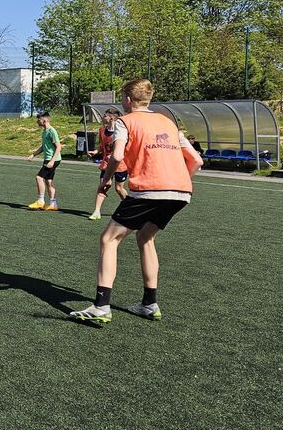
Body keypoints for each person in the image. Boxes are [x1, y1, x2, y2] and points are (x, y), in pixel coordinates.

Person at [70, 79, 204, 323]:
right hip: (181, 192)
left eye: (123, 98)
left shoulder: (125, 121)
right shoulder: (168, 122)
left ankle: (101, 306)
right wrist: (176, 181)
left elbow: (117, 154)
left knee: (109, 239)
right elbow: (196, 161)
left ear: (128, 100)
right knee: (145, 237)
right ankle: (149, 304)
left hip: (149, 190)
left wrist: (106, 180)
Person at [87, 108, 129, 220]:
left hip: (120, 165)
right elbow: (102, 146)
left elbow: (126, 148)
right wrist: (96, 152)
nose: (102, 117)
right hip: (106, 164)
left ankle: (129, 208)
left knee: (119, 189)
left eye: (104, 116)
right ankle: (96, 212)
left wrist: (116, 155)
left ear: (111, 118)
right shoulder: (102, 130)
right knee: (103, 185)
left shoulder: (121, 132)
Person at [26, 111, 62, 211]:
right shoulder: (45, 132)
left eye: (39, 119)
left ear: (44, 120)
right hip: (49, 159)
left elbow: (59, 147)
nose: (37, 121)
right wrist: (34, 154)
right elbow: (44, 147)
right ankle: (53, 204)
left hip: (52, 160)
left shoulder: (52, 131)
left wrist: (52, 161)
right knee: (48, 181)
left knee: (39, 177)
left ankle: (40, 201)